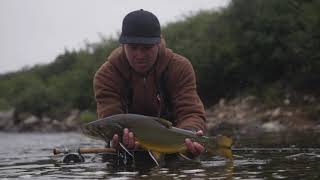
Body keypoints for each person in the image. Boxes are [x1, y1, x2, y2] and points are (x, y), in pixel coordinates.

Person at [94, 9, 206, 158]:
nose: (140, 55)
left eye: (146, 48)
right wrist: (117, 140)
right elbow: (110, 119)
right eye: (133, 48)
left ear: (158, 43)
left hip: (172, 144)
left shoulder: (179, 67)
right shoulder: (106, 75)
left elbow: (190, 112)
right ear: (123, 45)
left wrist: (190, 133)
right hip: (126, 148)